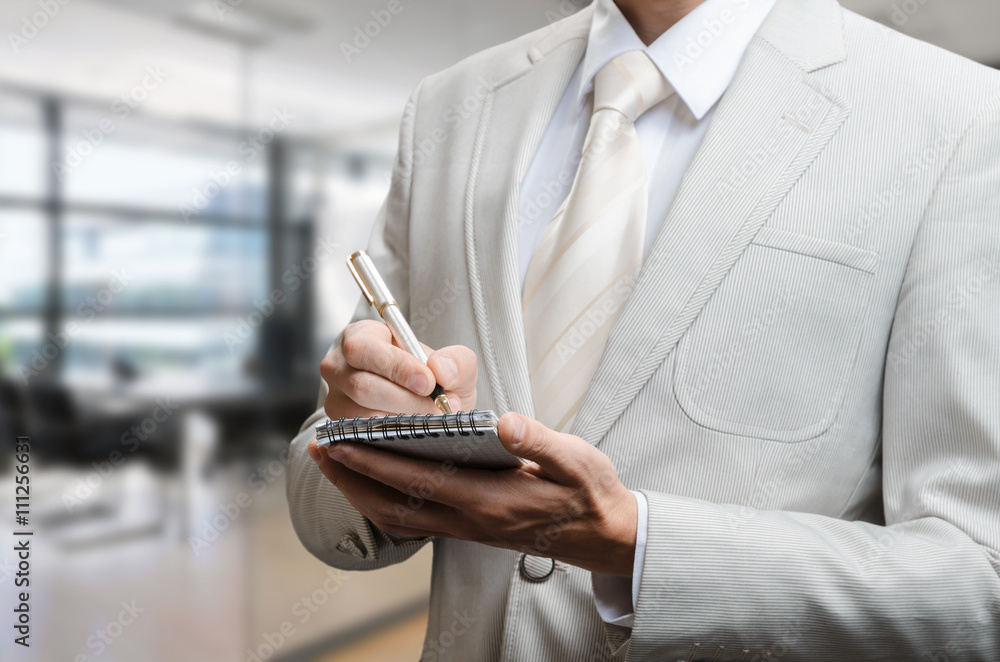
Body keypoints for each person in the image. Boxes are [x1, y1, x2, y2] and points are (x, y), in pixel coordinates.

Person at [287, 0, 1000, 658]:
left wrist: (640, 548)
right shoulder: (456, 104)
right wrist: (365, 441)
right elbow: (328, 506)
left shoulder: (960, 117)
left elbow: (980, 578)